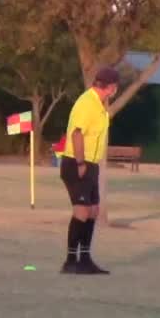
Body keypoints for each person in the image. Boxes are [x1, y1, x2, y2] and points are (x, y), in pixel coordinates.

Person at [58, 66, 120, 275]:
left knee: (93, 211)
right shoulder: (87, 102)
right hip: (77, 163)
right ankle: (70, 260)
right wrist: (81, 163)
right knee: (82, 211)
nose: (115, 90)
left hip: (92, 164)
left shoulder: (100, 105)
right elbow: (77, 134)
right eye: (115, 86)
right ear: (110, 86)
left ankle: (85, 258)